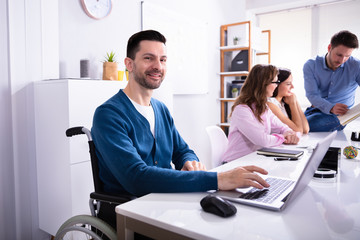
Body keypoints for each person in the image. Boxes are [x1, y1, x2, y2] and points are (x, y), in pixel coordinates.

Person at [91, 30, 270, 229]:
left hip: (167, 206)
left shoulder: (160, 109)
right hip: (130, 214)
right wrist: (218, 179)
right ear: (129, 64)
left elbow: (182, 150)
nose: (157, 66)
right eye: (148, 58)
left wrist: (189, 161)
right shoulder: (108, 114)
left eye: (163, 59)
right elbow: (137, 178)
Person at [221, 64, 300, 163]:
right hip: (234, 164)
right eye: (275, 82)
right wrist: (283, 137)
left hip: (253, 160)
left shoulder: (264, 107)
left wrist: (290, 134)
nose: (276, 86)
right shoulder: (241, 110)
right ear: (263, 84)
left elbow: (282, 127)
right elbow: (262, 140)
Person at [303, 30, 360, 132]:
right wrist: (331, 107)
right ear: (329, 48)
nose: (342, 60)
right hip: (314, 110)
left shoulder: (356, 66)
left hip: (339, 117)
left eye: (347, 56)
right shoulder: (311, 65)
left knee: (302, 127)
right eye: (339, 55)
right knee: (288, 124)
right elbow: (312, 95)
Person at [267, 68, 309, 134]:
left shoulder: (285, 101)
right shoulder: (270, 103)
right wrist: (293, 105)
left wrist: (295, 102)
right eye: (288, 84)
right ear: (277, 85)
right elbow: (298, 131)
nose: (292, 87)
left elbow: (305, 129)